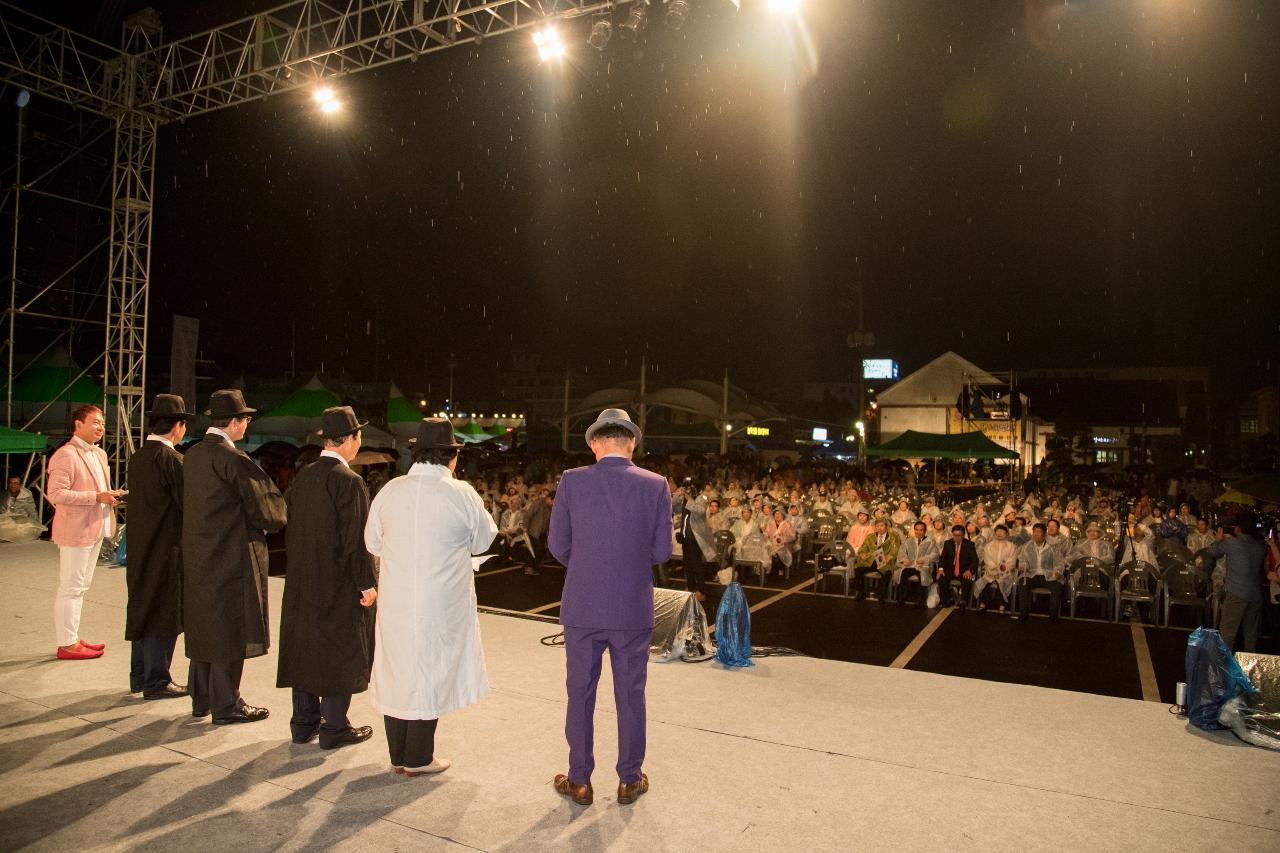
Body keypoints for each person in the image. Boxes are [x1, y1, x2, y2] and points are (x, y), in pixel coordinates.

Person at [549, 409, 672, 807]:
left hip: (583, 605)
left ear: (595, 443)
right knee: (631, 695)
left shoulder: (572, 481)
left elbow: (557, 544)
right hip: (630, 607)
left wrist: (588, 565)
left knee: (579, 693)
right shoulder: (655, 485)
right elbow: (662, 550)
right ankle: (629, 779)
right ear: (631, 443)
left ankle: (580, 780)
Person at [365, 418, 497, 777]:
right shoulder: (462, 494)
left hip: (396, 600)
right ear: (450, 458)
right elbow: (484, 540)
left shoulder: (390, 491)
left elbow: (372, 543)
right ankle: (420, 758)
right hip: (441, 602)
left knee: (397, 670)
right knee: (430, 671)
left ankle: (399, 755)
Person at [183, 390, 287, 724]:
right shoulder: (234, 459)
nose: (248, 424)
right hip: (230, 554)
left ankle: (202, 699)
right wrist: (270, 522)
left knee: (204, 624)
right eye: (246, 418)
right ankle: (226, 704)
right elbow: (268, 509)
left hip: (198, 552)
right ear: (235, 422)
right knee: (230, 626)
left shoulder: (194, 455)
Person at [277, 407, 378, 750]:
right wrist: (366, 583)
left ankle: (303, 723)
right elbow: (356, 542)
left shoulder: (304, 476)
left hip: (303, 577)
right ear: (350, 439)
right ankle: (335, 726)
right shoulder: (349, 481)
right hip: (336, 581)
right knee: (339, 648)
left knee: (305, 646)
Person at [124, 394, 191, 699]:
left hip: (140, 544)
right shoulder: (172, 460)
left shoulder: (138, 457)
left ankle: (139, 675)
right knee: (163, 612)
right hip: (166, 547)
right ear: (178, 426)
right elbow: (186, 505)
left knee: (142, 605)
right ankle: (156, 679)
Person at [47, 404, 121, 660]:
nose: (100, 427)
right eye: (95, 422)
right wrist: (96, 496)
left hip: (95, 528)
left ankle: (72, 637)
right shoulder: (66, 454)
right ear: (78, 424)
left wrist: (110, 496)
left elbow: (100, 490)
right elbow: (55, 494)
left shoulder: (99, 454)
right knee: (71, 587)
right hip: (75, 531)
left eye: (102, 423)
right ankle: (66, 643)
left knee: (81, 587)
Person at [1204, 514, 1267, 652]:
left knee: (1228, 632)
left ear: (1238, 529)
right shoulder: (1260, 546)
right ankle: (1248, 668)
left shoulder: (1233, 543)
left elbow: (1213, 552)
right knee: (1251, 635)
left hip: (1236, 592)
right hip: (1255, 594)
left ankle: (1224, 667)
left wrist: (1218, 540)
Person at [1015, 523, 1065, 621]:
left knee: (1057, 584)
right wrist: (1023, 566)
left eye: (1039, 532)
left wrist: (1058, 571)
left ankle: (1053, 612)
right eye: (1035, 532)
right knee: (1023, 583)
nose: (1036, 534)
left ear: (1044, 534)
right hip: (1032, 574)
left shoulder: (1052, 547)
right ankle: (1024, 611)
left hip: (1048, 575)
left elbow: (1059, 562)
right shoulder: (1027, 546)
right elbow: (1023, 559)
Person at [680, 484, 718, 602]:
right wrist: (678, 495)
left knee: (696, 565)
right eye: (686, 489)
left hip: (695, 537)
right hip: (685, 536)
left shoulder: (702, 498)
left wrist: (687, 497)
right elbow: (674, 508)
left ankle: (700, 590)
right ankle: (691, 587)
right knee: (687, 564)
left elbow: (700, 511)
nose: (686, 491)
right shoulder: (684, 500)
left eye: (689, 489)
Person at [855, 518, 900, 602]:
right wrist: (862, 553)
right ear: (875, 527)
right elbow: (863, 548)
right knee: (857, 571)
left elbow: (895, 550)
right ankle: (861, 592)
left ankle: (882, 595)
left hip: (883, 561)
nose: (879, 528)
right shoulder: (870, 537)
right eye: (877, 526)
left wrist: (888, 556)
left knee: (887, 573)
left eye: (882, 525)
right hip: (870, 561)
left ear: (886, 527)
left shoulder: (893, 537)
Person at [975, 525, 1017, 613]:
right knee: (986, 581)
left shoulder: (1011, 546)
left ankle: (1002, 605)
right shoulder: (989, 546)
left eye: (1002, 531)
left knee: (1001, 580)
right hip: (991, 571)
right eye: (998, 531)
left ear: (1006, 534)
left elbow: (1011, 561)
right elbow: (987, 559)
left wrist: (1000, 570)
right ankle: (983, 604)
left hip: (1006, 572)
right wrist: (994, 569)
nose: (999, 533)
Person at [894, 521, 937, 606]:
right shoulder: (908, 541)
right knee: (902, 573)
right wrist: (904, 559)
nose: (918, 532)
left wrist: (925, 559)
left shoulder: (930, 542)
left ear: (925, 531)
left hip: (923, 566)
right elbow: (902, 552)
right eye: (916, 530)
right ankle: (901, 598)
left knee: (922, 575)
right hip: (910, 565)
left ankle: (920, 600)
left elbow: (935, 554)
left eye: (921, 530)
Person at [935, 524, 978, 608]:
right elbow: (943, 558)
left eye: (959, 535)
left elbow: (975, 560)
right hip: (950, 569)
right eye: (955, 535)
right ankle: (947, 599)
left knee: (966, 578)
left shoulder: (969, 544)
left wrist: (970, 570)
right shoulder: (948, 543)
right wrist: (940, 569)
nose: (957, 537)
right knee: (941, 577)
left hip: (964, 569)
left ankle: (963, 601)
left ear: (963, 534)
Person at [0, 474, 44, 542]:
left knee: (24, 530)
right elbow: (3, 513)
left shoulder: (27, 495)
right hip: (8, 523)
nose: (12, 485)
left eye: (15, 483)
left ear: (20, 485)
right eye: (10, 483)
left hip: (22, 524)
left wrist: (36, 528)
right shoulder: (4, 495)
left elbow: (32, 513)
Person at [522, 487, 552, 575]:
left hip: (542, 532)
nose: (553, 503)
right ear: (549, 498)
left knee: (540, 550)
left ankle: (535, 567)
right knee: (534, 550)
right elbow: (528, 514)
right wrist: (525, 527)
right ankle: (529, 567)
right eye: (552, 501)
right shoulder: (538, 502)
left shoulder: (550, 506)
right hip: (533, 531)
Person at [764, 508, 795, 579]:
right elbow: (766, 532)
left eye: (779, 514)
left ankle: (780, 569)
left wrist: (783, 539)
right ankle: (768, 570)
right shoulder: (770, 524)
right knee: (766, 550)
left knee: (779, 551)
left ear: (783, 515)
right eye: (775, 514)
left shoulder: (787, 524)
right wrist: (765, 535)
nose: (777, 515)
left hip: (784, 545)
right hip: (772, 544)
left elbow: (792, 536)